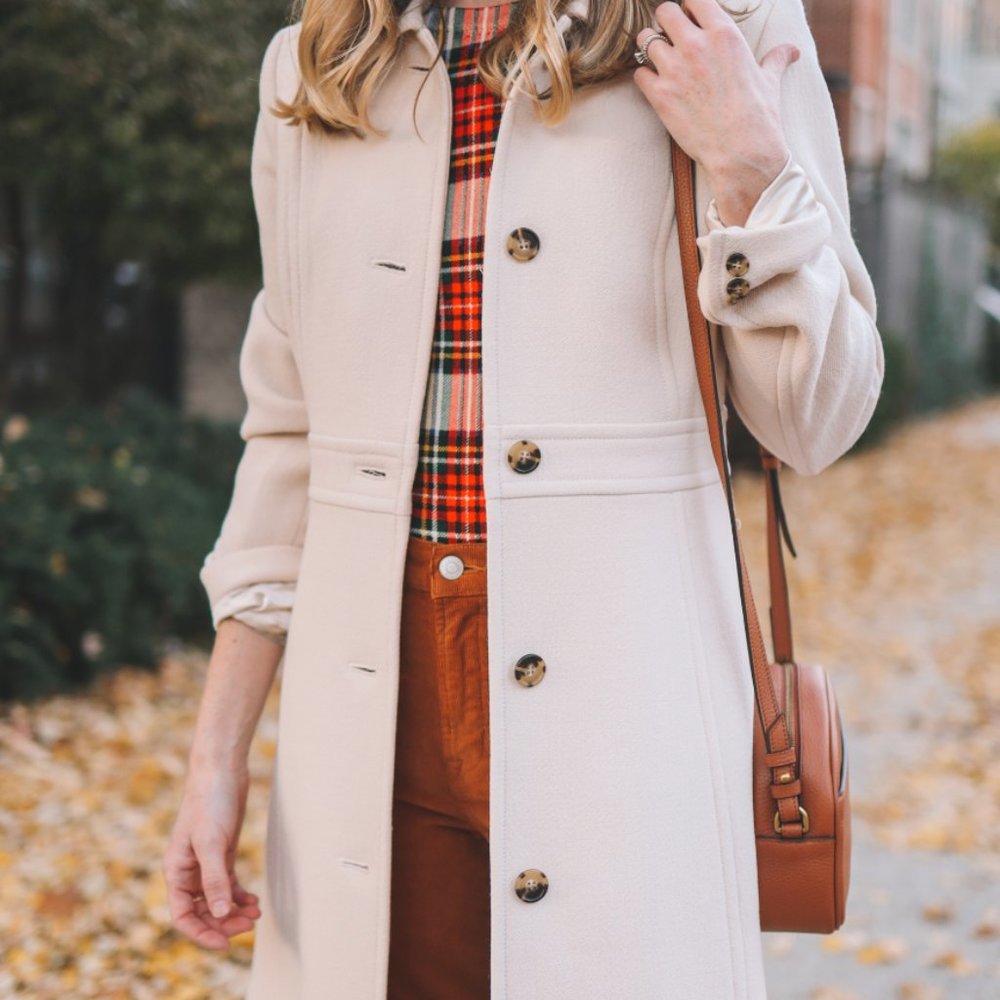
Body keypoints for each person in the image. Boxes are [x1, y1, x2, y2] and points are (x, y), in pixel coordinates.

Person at [163, 0, 884, 996]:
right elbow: (288, 429)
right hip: (373, 711)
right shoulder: (314, 65)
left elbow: (815, 422)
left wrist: (752, 166)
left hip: (624, 713)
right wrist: (216, 757)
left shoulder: (713, 26)